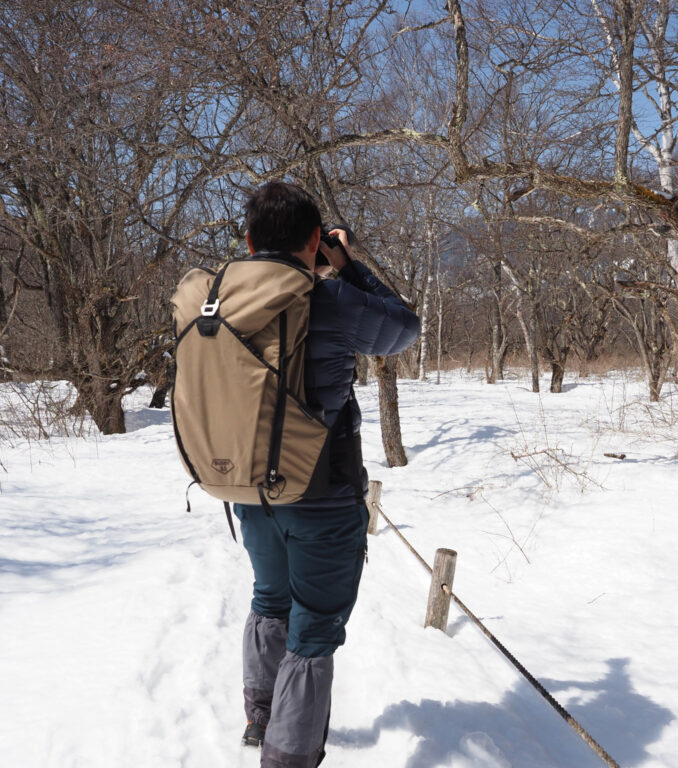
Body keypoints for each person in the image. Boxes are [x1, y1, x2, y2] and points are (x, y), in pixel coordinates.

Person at [233, 181, 419, 768]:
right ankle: (287, 757)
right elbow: (405, 329)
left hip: (248, 488)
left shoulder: (219, 298)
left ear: (247, 240)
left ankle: (261, 716)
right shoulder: (333, 301)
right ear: (315, 241)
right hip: (322, 493)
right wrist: (351, 267)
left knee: (269, 599)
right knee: (312, 632)